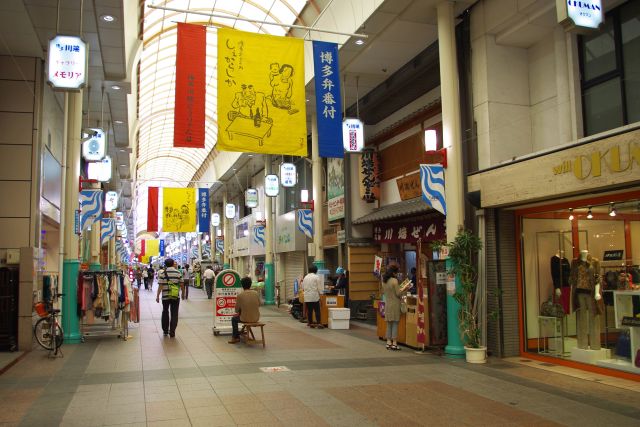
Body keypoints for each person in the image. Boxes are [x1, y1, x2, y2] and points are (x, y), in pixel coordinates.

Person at [382, 265, 411, 350]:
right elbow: (398, 294)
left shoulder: (384, 281)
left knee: (388, 324)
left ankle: (388, 342)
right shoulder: (394, 281)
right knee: (395, 324)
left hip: (387, 304)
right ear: (394, 273)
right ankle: (394, 343)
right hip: (395, 304)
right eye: (397, 273)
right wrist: (405, 289)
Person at [228, 277, 261, 344]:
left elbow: (236, 310)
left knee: (234, 319)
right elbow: (259, 304)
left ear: (242, 285)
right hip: (256, 318)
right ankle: (241, 334)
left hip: (245, 318)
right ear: (250, 284)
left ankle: (236, 337)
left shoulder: (240, 295)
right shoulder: (256, 293)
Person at [156, 258, 182, 337]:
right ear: (172, 264)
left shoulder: (163, 274)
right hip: (175, 296)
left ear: (165, 264)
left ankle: (165, 330)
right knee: (174, 313)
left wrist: (157, 296)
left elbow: (160, 285)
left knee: (165, 311)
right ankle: (172, 331)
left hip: (165, 296)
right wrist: (183, 293)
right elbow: (182, 283)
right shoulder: (178, 272)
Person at [302, 264, 324, 329]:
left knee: (309, 310)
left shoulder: (305, 277)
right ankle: (319, 323)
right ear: (316, 270)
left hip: (307, 296)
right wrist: (321, 295)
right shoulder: (316, 277)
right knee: (317, 310)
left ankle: (310, 323)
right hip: (314, 296)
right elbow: (319, 288)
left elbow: (303, 287)